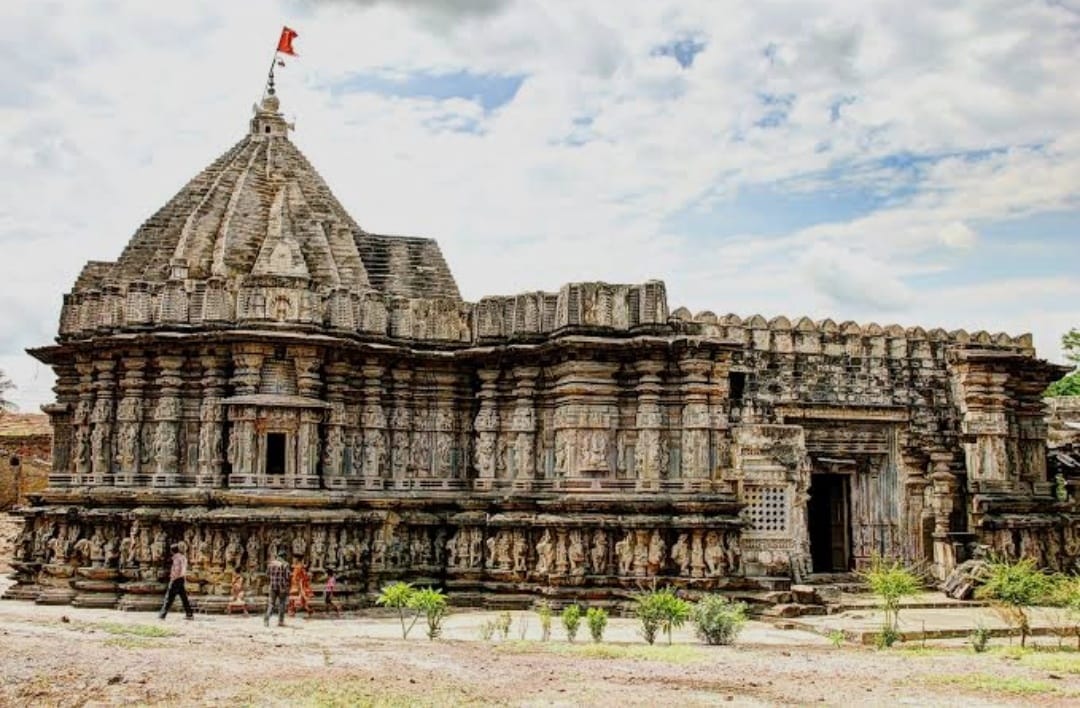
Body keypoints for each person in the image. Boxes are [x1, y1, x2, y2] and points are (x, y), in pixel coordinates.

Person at [159, 541, 194, 620]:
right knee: (183, 597)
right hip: (181, 579)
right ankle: (189, 613)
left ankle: (162, 614)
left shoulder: (176, 558)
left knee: (169, 597)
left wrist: (173, 578)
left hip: (176, 579)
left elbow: (177, 570)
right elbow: (183, 570)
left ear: (172, 551)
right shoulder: (183, 557)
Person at [265, 551, 290, 627]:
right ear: (284, 556)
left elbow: (267, 574)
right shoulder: (285, 564)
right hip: (282, 587)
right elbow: (287, 576)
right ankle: (280, 621)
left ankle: (267, 618)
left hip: (272, 586)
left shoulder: (271, 564)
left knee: (271, 603)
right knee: (282, 604)